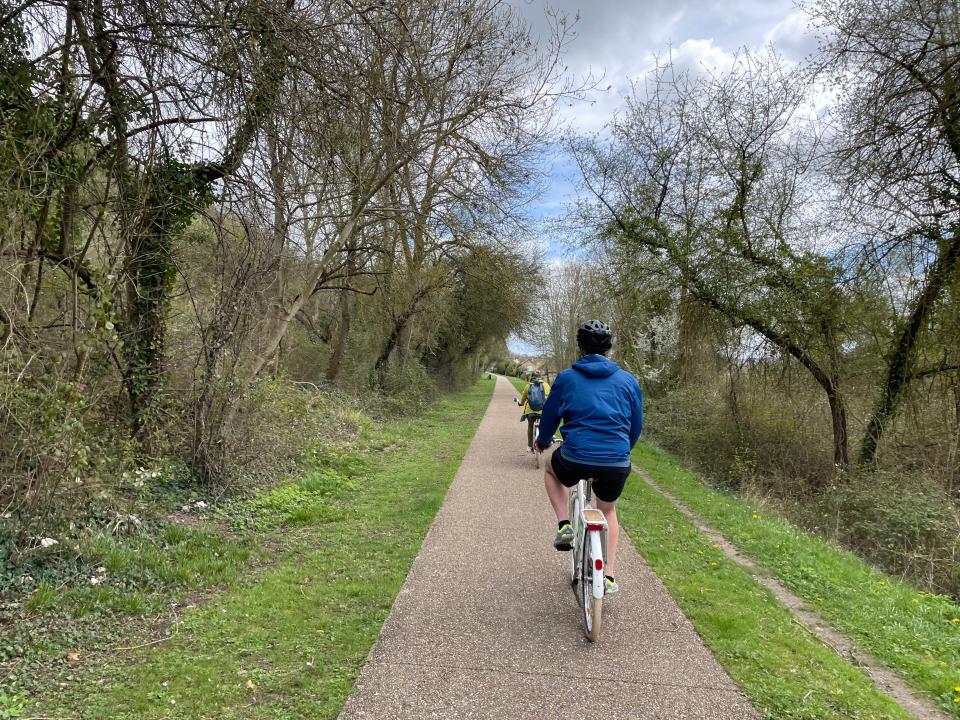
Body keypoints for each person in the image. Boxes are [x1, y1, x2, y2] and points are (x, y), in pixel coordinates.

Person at [534, 320, 643, 595]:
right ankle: (608, 575)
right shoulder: (628, 381)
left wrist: (543, 441)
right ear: (608, 348)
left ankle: (564, 525)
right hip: (617, 461)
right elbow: (636, 424)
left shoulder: (568, 378)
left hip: (575, 457)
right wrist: (622, 450)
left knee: (551, 470)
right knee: (608, 510)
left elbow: (550, 416)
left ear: (580, 347)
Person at [517, 373, 551, 451]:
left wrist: (520, 403)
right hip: (543, 411)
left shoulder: (528, 386)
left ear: (532, 377)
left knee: (530, 426)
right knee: (544, 427)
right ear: (541, 377)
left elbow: (522, 401)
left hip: (530, 411)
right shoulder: (546, 385)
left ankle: (529, 446)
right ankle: (543, 444)